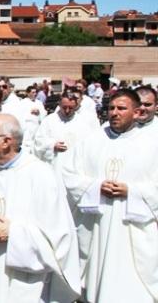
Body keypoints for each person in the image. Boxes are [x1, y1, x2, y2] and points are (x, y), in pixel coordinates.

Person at [0, 114, 80, 303]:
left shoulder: (41, 175)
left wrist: (15, 234)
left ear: (6, 142)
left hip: (23, 282)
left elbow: (59, 239)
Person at [62, 90, 158, 302]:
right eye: (111, 108)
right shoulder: (92, 142)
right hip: (98, 226)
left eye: (121, 108)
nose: (114, 113)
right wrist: (95, 187)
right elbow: (69, 175)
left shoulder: (152, 144)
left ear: (136, 112)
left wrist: (131, 191)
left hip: (135, 232)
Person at [33, 91, 95, 181]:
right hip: (53, 167)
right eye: (64, 107)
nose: (67, 111)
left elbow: (89, 146)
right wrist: (52, 145)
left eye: (71, 108)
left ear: (76, 106)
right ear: (59, 104)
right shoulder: (49, 121)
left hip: (74, 170)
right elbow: (38, 142)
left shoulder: (83, 123)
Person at [16, 85, 46, 154]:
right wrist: (30, 112)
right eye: (32, 92)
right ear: (28, 93)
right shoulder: (23, 103)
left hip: (37, 126)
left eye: (35, 92)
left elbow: (43, 113)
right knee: (26, 145)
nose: (34, 94)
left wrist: (39, 113)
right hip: (27, 127)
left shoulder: (39, 102)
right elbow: (20, 114)